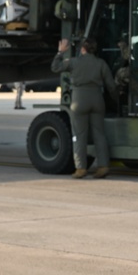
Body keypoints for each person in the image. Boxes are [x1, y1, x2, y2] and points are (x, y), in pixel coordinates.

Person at [51, 37, 116, 179]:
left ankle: (81, 168)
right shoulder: (101, 63)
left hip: (79, 101)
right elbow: (111, 85)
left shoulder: (74, 62)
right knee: (99, 134)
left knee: (79, 136)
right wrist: (115, 99)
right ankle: (103, 166)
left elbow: (55, 67)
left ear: (83, 49)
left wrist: (60, 52)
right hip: (97, 100)